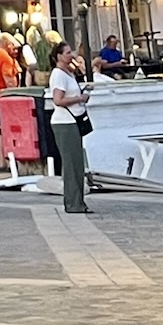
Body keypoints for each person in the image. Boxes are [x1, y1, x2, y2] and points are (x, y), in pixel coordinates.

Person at [46, 43, 91, 214]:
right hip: (64, 122)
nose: (71, 55)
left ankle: (78, 201)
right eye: (66, 53)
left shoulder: (69, 73)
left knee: (77, 163)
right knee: (71, 164)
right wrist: (80, 98)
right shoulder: (58, 75)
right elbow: (58, 100)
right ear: (58, 56)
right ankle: (73, 203)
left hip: (72, 122)